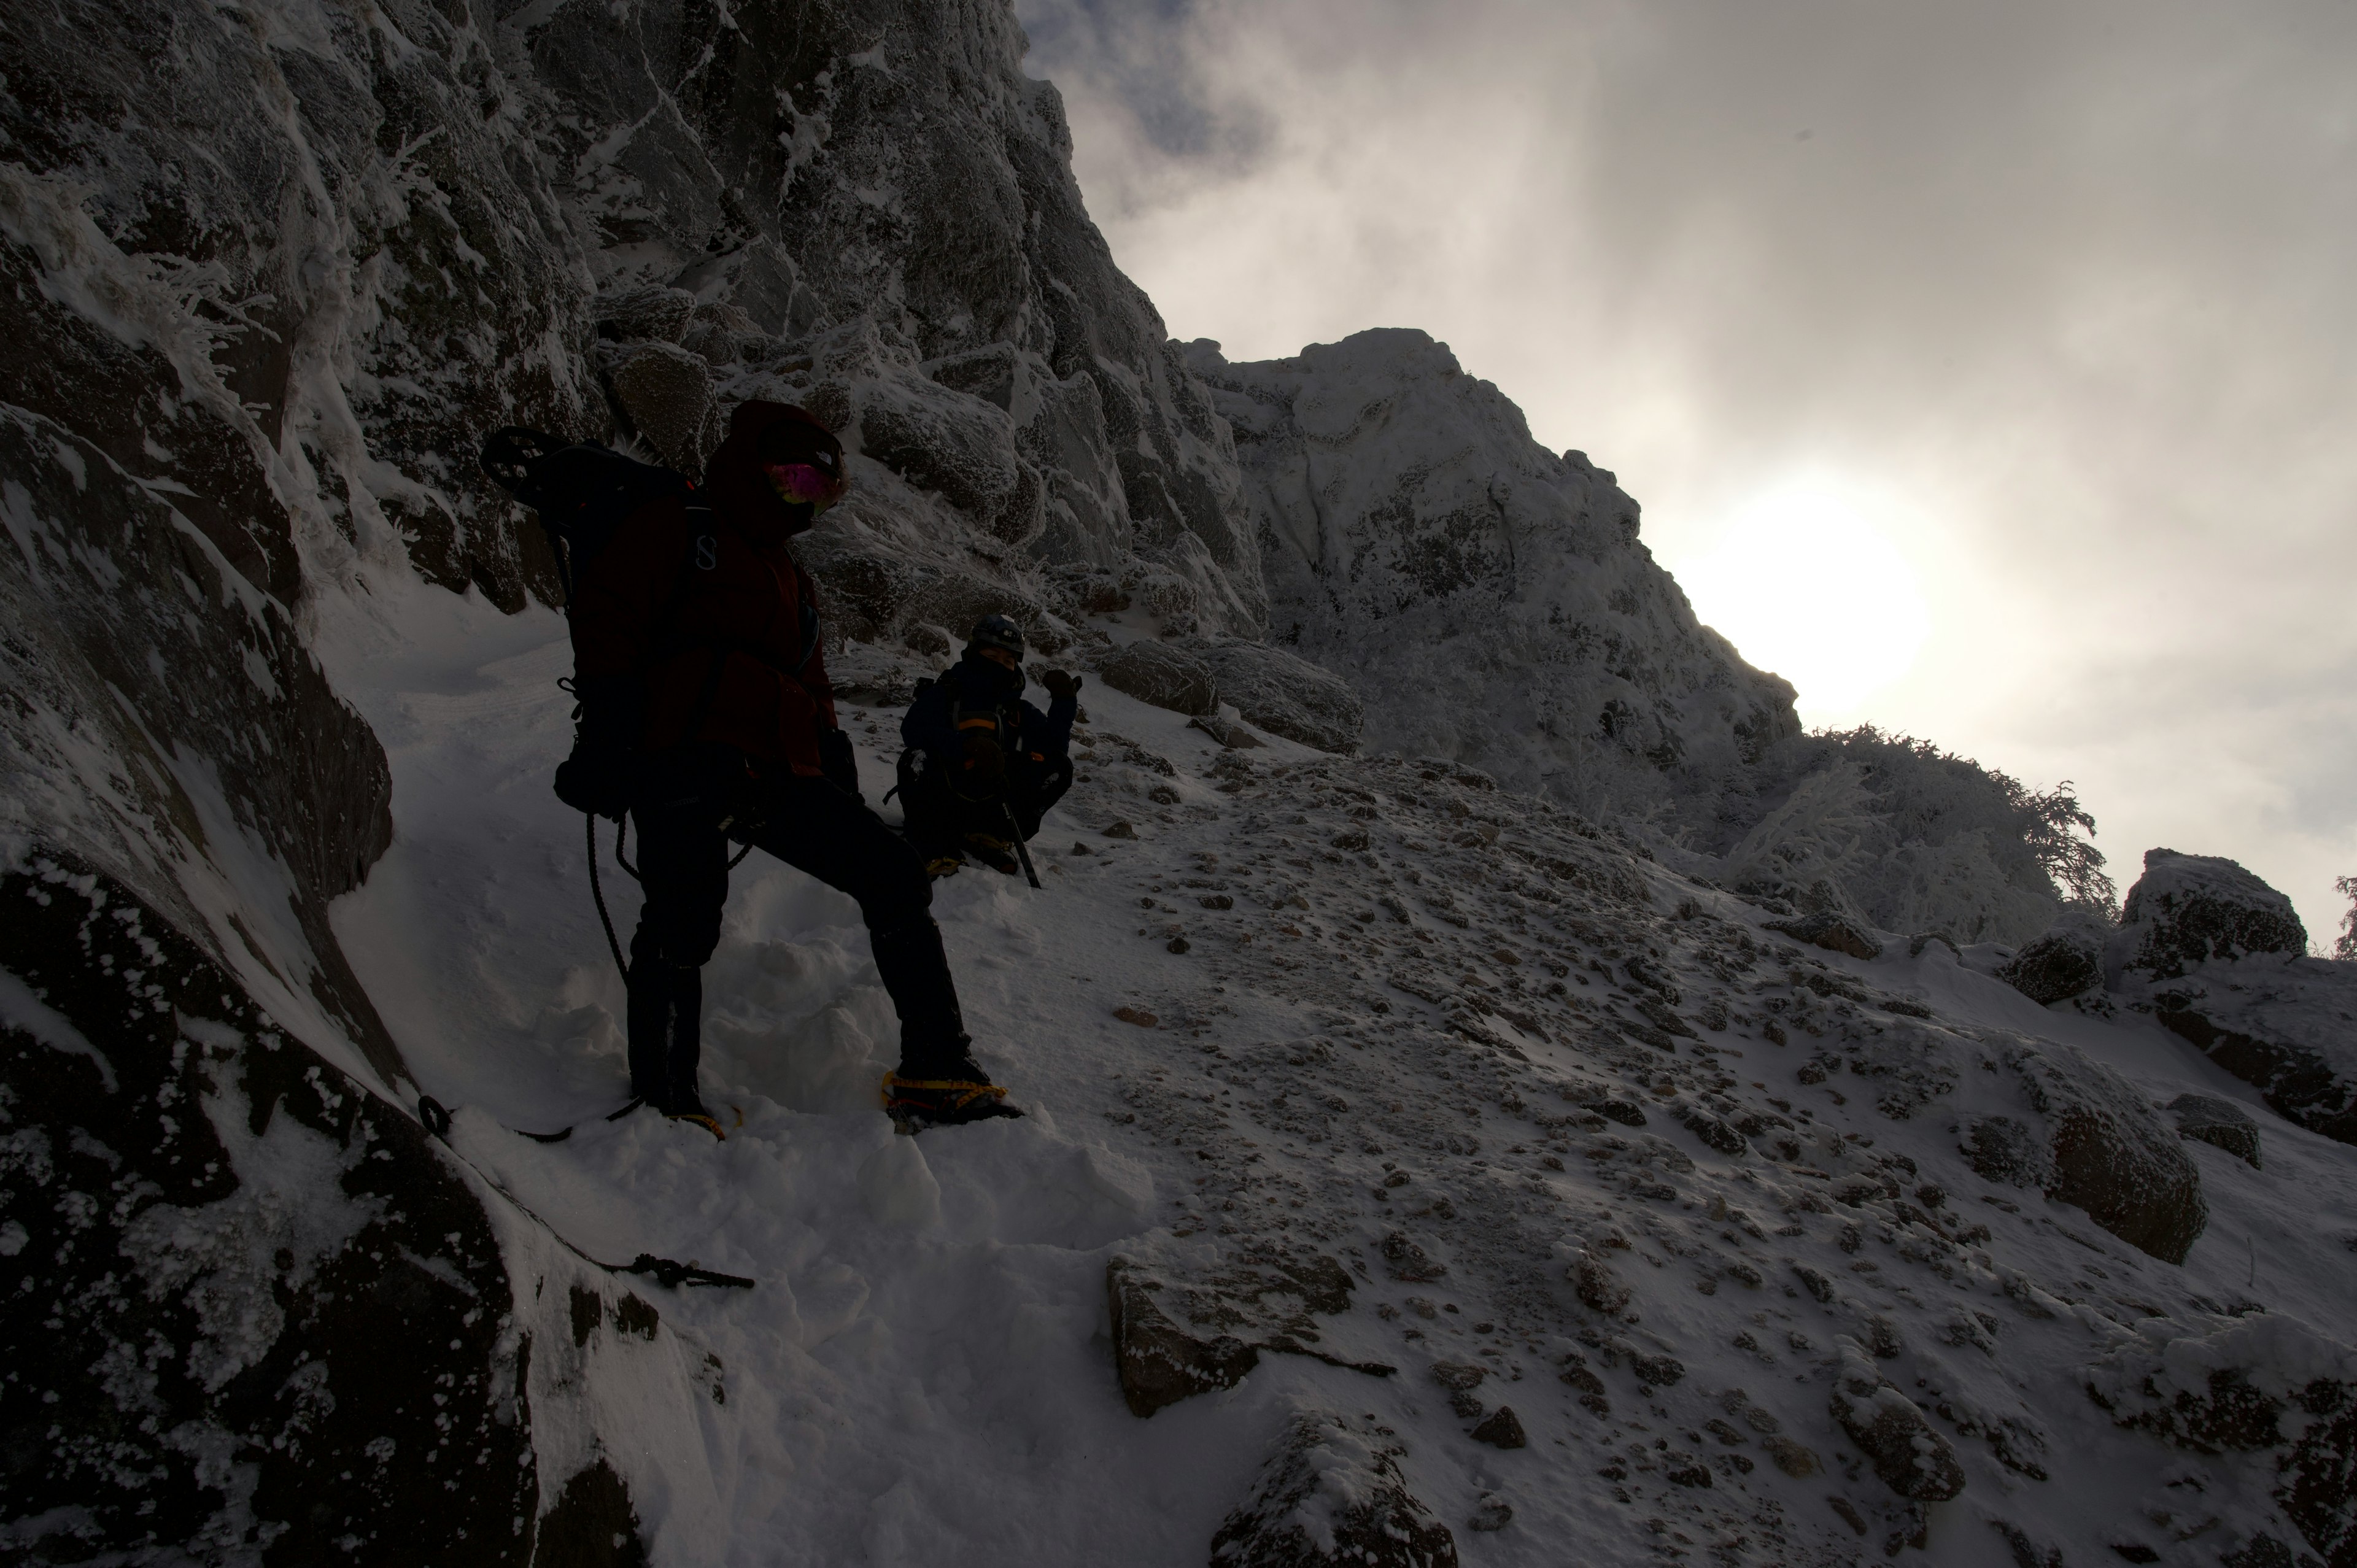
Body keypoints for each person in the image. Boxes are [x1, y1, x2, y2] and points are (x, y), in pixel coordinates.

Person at [554, 400, 1016, 1135]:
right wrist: (606, 743)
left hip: (776, 770)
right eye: (796, 479)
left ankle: (938, 1066)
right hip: (678, 754)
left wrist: (834, 777)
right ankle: (668, 1099)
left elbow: (815, 689)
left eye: (822, 492)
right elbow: (609, 620)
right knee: (682, 918)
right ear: (754, 467)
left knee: (892, 872)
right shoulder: (683, 523)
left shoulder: (793, 580)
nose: (806, 502)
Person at [897, 616, 1079, 876]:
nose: (1000, 665)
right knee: (915, 759)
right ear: (974, 652)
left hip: (995, 803)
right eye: (992, 655)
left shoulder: (1016, 709)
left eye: (1008, 660)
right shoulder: (948, 693)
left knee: (1059, 767)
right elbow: (913, 729)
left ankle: (988, 836)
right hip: (947, 796)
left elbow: (1055, 750)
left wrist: (1064, 705)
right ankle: (933, 846)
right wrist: (966, 745)